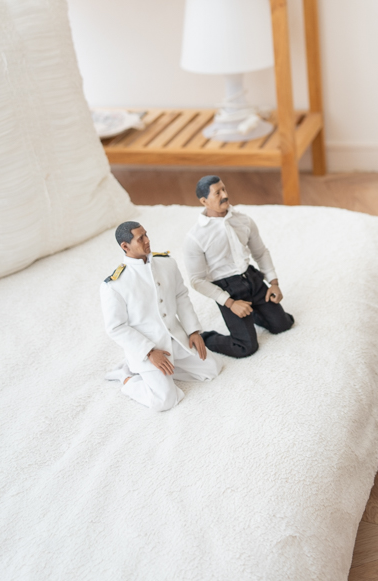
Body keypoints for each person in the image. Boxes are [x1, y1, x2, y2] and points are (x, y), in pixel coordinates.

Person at [101, 221, 220, 412]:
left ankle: (159, 374)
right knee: (165, 400)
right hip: (148, 348)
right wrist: (148, 352)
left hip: (175, 339)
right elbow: (116, 327)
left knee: (212, 368)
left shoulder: (166, 262)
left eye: (146, 234)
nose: (148, 240)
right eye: (141, 238)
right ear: (125, 246)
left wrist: (193, 331)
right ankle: (127, 376)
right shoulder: (114, 285)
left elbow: (181, 295)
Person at [180, 176, 294, 358]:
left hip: (252, 278)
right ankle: (205, 337)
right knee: (246, 347)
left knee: (283, 324)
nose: (225, 195)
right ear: (204, 201)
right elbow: (196, 280)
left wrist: (273, 282)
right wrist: (230, 303)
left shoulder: (244, 220)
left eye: (224, 189)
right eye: (218, 193)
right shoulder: (195, 238)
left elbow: (260, 252)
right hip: (228, 289)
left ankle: (255, 311)